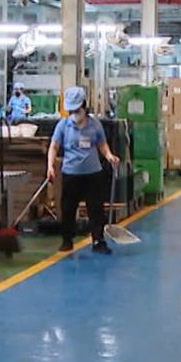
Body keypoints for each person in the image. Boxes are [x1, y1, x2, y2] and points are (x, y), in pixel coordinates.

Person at [47, 86, 119, 255]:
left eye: (77, 109)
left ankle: (98, 240)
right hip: (71, 174)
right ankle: (67, 240)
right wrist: (50, 166)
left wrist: (109, 156)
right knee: (68, 209)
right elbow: (54, 147)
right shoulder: (63, 126)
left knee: (96, 209)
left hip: (93, 174)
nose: (74, 113)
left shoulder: (95, 125)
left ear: (84, 106)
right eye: (71, 110)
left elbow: (102, 144)